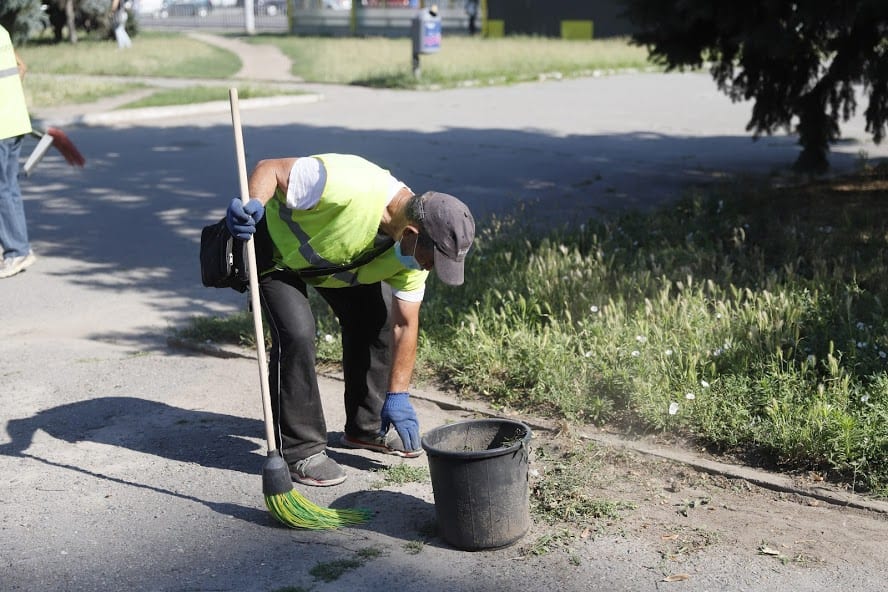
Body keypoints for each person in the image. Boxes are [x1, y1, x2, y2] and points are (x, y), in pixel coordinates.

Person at [225, 153, 475, 487]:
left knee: (377, 319)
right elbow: (269, 169)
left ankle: (367, 427)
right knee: (297, 333)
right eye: (431, 260)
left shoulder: (412, 255)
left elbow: (405, 324)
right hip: (277, 255)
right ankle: (301, 450)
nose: (429, 268)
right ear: (412, 234)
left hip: (333, 267)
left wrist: (398, 395)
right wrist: (253, 203)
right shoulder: (346, 183)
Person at [0, 25, 36, 279]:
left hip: (2, 127)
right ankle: (18, 249)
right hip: (16, 121)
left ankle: (16, 251)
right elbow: (21, 68)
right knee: (8, 187)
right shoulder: (1, 31)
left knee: (3, 189)